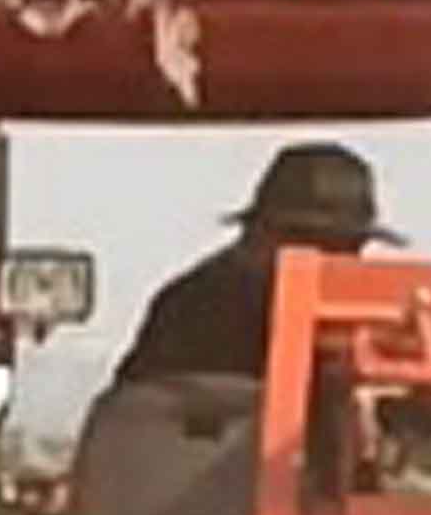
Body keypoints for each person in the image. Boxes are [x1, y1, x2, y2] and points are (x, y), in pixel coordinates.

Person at [113, 138, 392, 400]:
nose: (330, 262)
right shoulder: (192, 308)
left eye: (347, 247)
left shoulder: (387, 319)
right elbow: (143, 422)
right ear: (259, 236)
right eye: (308, 243)